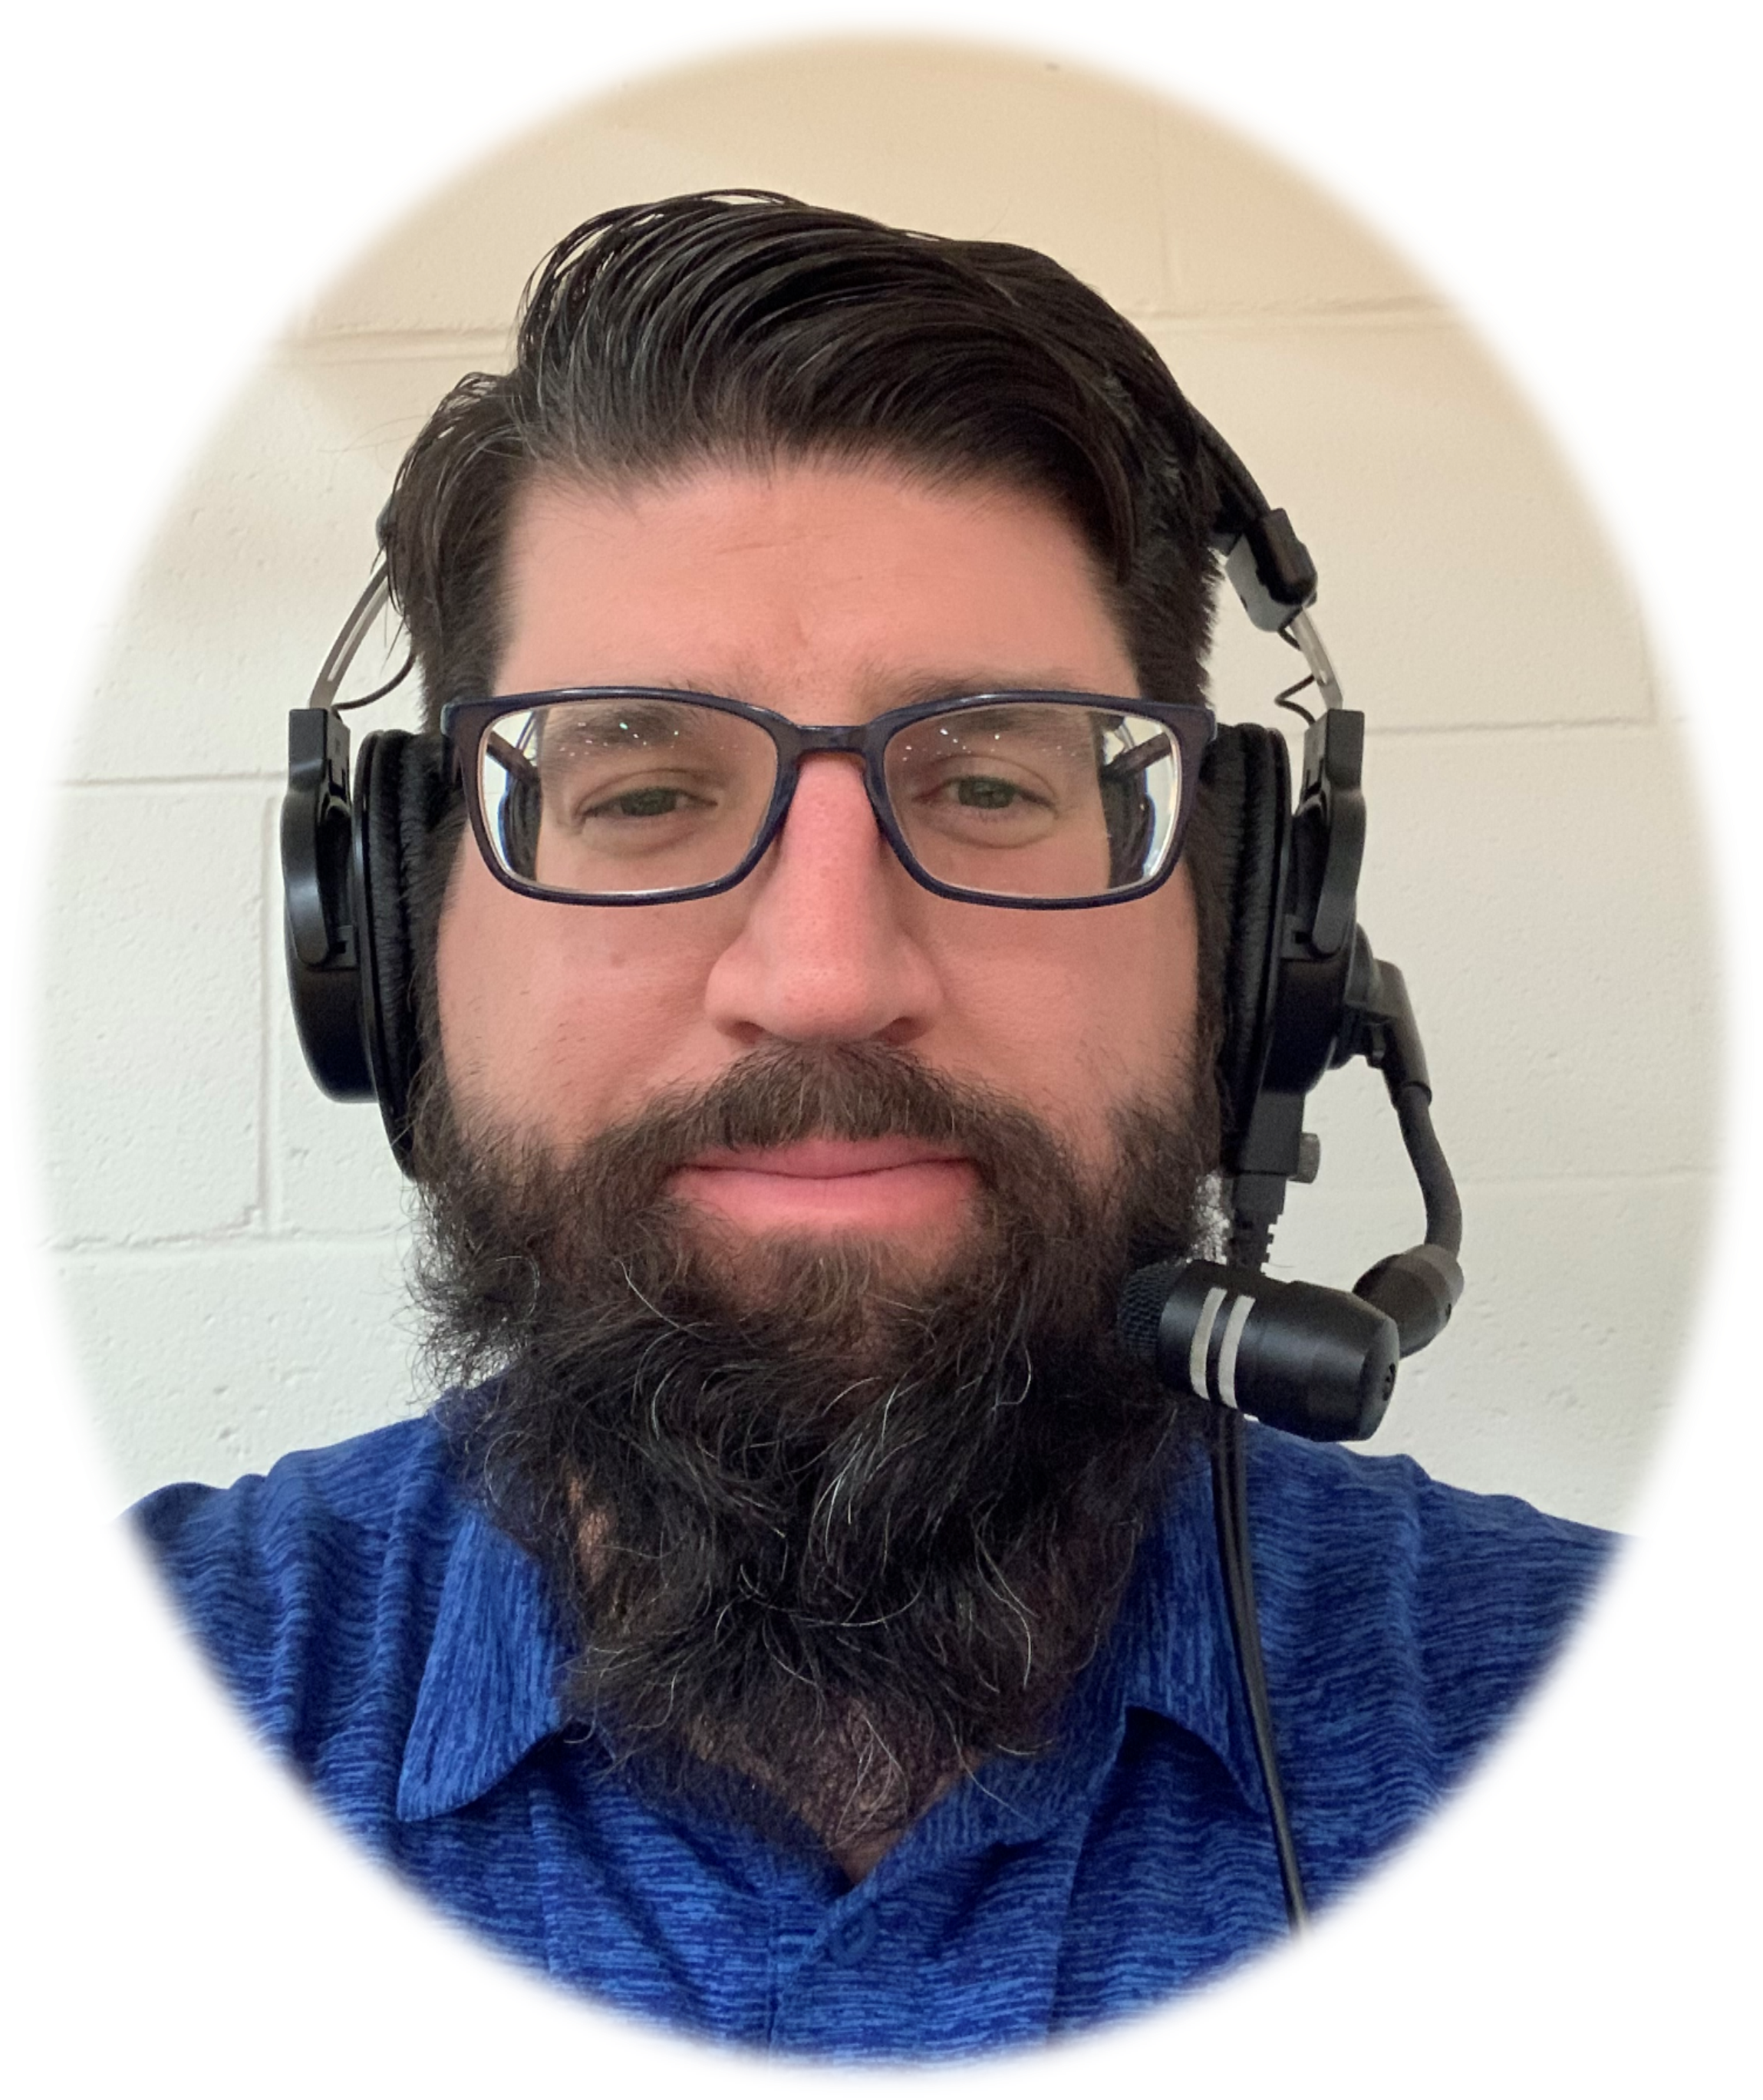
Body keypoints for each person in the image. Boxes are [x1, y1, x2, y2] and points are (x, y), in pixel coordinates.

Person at [107, 192, 1644, 2089]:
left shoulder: (1662, 1767)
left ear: (1254, 948)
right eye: (642, 794)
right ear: (395, 943)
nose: (826, 979)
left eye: (991, 783)